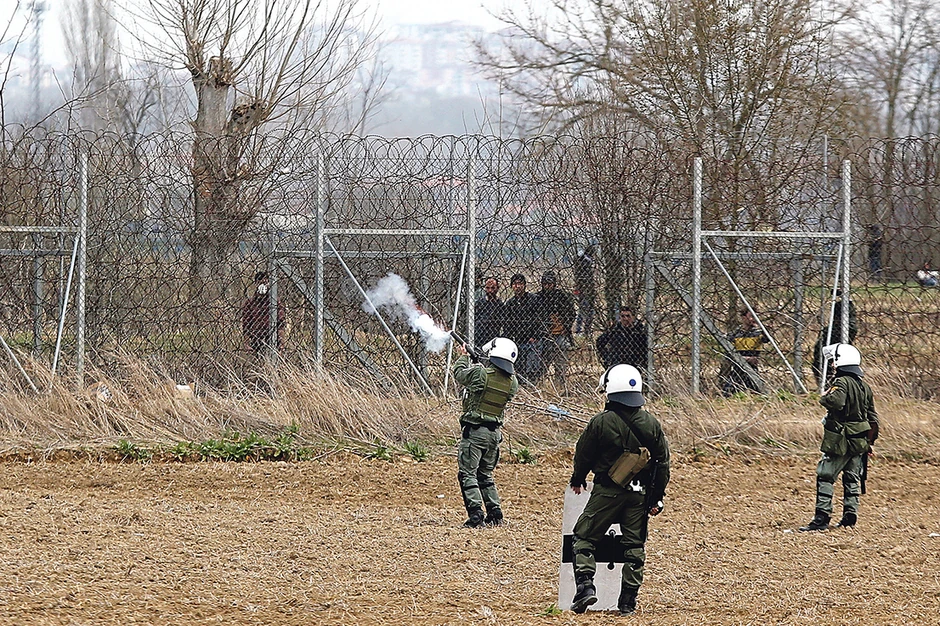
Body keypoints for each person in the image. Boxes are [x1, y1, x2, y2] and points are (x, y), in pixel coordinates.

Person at [568, 364, 671, 615]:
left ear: (611, 390)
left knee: (583, 537)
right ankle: (628, 602)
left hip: (607, 491)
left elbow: (583, 455)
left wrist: (578, 478)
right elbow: (663, 464)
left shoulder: (601, 422)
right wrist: (656, 497)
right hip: (639, 494)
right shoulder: (652, 424)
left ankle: (585, 587)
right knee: (634, 546)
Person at [800, 343, 879, 531]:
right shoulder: (865, 386)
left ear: (841, 362)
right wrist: (869, 443)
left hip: (841, 439)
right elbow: (873, 418)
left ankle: (821, 518)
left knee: (826, 475)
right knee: (852, 478)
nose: (833, 365)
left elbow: (836, 401)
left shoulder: (841, 383)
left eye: (835, 361)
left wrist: (824, 397)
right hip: (860, 440)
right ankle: (850, 517)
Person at [452, 337, 520, 528]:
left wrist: (464, 357)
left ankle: (476, 515)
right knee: (485, 475)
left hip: (475, 433)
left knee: (468, 474)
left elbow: (459, 374)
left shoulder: (481, 373)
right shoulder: (512, 383)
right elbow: (490, 381)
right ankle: (495, 512)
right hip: (494, 436)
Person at [537, 271, 576, 391]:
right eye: (545, 284)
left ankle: (560, 388)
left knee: (561, 365)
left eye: (550, 283)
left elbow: (571, 313)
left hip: (560, 335)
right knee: (542, 364)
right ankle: (541, 387)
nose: (547, 286)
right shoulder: (538, 298)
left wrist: (565, 326)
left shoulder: (562, 297)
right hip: (545, 336)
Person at [719, 308, 769, 396]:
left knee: (758, 392)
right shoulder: (736, 334)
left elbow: (766, 339)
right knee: (727, 392)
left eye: (756, 317)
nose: (754, 319)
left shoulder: (758, 334)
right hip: (737, 369)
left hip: (752, 369)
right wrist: (745, 359)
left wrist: (763, 329)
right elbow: (728, 353)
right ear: (743, 318)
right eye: (751, 316)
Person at [812, 291, 858, 385]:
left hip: (840, 331)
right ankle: (828, 383)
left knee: (827, 356)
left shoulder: (844, 327)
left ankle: (829, 383)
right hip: (839, 330)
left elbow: (850, 326)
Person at [503, 273, 543, 382]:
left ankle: (532, 387)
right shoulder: (510, 304)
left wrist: (535, 336)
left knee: (532, 368)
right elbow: (507, 324)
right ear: (512, 286)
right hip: (517, 341)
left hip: (532, 340)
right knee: (519, 368)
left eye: (520, 283)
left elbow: (539, 320)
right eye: (515, 284)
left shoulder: (534, 300)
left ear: (524, 285)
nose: (518, 286)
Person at [242, 271, 286, 354]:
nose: (263, 285)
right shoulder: (250, 303)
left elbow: (281, 323)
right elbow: (246, 325)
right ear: (256, 284)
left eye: (265, 282)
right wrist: (247, 344)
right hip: (256, 341)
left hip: (273, 340)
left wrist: (281, 344)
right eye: (260, 282)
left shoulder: (275, 302)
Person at [596, 306, 648, 370]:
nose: (625, 319)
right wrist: (607, 358)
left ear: (633, 317)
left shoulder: (639, 332)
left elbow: (646, 351)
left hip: (635, 366)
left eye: (628, 316)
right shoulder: (615, 330)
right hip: (617, 365)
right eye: (622, 316)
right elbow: (600, 342)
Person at [474, 276, 505, 345]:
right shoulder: (479, 303)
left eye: (493, 288)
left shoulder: (500, 305)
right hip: (478, 338)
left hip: (492, 339)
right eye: (487, 288)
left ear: (497, 288)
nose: (490, 290)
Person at [574, 246, 597, 337]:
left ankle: (584, 331)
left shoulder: (585, 261)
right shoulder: (585, 262)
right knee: (584, 311)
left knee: (586, 311)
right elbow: (584, 278)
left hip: (587, 291)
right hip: (585, 291)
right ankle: (581, 330)